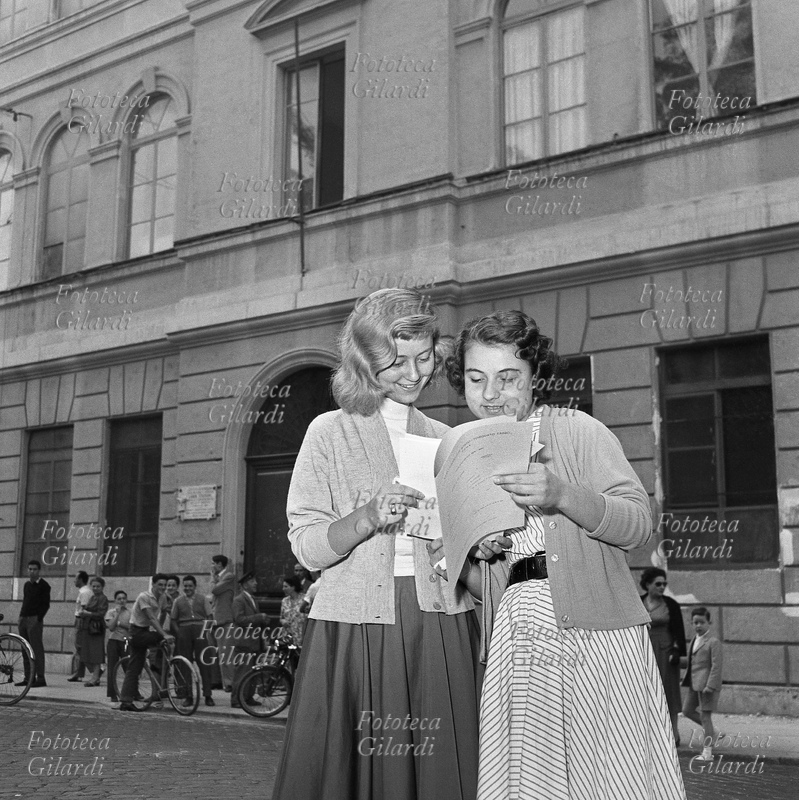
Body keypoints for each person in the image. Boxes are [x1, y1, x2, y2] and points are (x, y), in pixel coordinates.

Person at [429, 310, 685, 800]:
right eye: (477, 379)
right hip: (519, 640)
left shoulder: (578, 431)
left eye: (509, 378)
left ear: (535, 377)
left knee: (611, 777)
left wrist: (562, 494)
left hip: (600, 634)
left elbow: (639, 525)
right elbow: (490, 593)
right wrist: (467, 557)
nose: (491, 394)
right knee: (533, 784)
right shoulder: (465, 456)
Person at [272, 288, 481, 800]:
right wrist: (366, 517)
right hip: (357, 625)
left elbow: (460, 548)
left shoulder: (446, 436)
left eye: (425, 358)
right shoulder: (328, 433)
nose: (414, 374)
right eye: (396, 362)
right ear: (365, 362)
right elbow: (307, 547)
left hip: (439, 620)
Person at [641, 567, 686, 744]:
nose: (662, 587)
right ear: (647, 584)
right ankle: (650, 734)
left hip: (666, 652)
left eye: (664, 584)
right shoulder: (638, 602)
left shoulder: (671, 604)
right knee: (646, 690)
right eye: (658, 584)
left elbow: (679, 630)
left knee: (669, 692)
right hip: (644, 650)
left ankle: (673, 734)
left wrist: (677, 651)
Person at [119, 574, 174, 712]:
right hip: (136, 632)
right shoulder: (144, 596)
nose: (162, 587)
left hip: (145, 631)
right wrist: (163, 634)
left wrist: (162, 628)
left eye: (164, 585)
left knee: (135, 667)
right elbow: (151, 617)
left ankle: (159, 664)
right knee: (134, 667)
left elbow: (162, 614)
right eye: (160, 584)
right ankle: (125, 701)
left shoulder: (162, 598)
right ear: (153, 585)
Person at [681, 606, 723, 762]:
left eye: (701, 622)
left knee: (706, 717)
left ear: (709, 623)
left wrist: (710, 686)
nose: (698, 626)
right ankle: (714, 732)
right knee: (687, 710)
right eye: (695, 622)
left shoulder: (713, 642)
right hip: (694, 683)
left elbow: (716, 666)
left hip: (706, 686)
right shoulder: (694, 640)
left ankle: (707, 752)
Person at [171, 574, 215, 706]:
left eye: (190, 586)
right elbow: (173, 619)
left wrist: (206, 632)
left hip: (200, 629)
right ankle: (188, 695)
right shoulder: (178, 601)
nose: (188, 588)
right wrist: (179, 633)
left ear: (195, 586)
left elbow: (210, 616)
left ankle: (208, 694)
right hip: (184, 630)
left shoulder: (203, 599)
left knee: (204, 662)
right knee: (186, 664)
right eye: (185, 586)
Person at [230, 571, 269, 710]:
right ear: (245, 584)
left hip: (253, 642)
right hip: (244, 642)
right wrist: (259, 617)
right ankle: (236, 699)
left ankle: (248, 697)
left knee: (252, 672)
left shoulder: (252, 599)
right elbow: (239, 619)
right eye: (253, 582)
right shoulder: (239, 600)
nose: (256, 584)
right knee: (242, 672)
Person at [17, 559, 50, 687]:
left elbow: (45, 604)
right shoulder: (27, 585)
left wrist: (38, 618)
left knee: (36, 649)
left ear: (39, 570)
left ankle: (40, 678)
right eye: (30, 569)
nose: (32, 571)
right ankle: (28, 677)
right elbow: (25, 601)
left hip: (35, 619)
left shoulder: (44, 585)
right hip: (24, 618)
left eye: (34, 569)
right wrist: (21, 616)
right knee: (24, 648)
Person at [210, 555, 236, 693]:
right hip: (218, 621)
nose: (212, 566)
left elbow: (214, 590)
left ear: (220, 564)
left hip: (226, 620)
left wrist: (213, 578)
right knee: (221, 654)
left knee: (227, 654)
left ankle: (230, 682)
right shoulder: (219, 577)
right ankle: (224, 682)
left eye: (213, 563)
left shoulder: (228, 576)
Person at [76, 577, 109, 686]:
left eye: (98, 586)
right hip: (88, 627)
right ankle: (96, 674)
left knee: (95, 653)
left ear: (102, 587)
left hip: (96, 628)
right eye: (93, 586)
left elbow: (101, 614)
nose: (95, 588)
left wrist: (87, 613)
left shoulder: (103, 598)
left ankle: (95, 677)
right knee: (86, 652)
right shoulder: (92, 597)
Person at [105, 590, 130, 703]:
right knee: (112, 668)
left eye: (124, 598)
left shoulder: (130, 612)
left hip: (125, 641)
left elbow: (131, 627)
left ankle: (133, 691)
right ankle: (112, 694)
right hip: (113, 641)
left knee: (129, 667)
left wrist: (120, 624)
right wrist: (117, 614)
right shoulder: (111, 612)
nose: (121, 601)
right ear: (115, 600)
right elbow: (111, 627)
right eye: (119, 599)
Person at [67, 571, 92, 681]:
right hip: (80, 620)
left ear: (81, 579)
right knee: (80, 648)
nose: (74, 580)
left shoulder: (85, 592)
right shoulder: (83, 591)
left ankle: (95, 669)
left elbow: (84, 608)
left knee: (80, 647)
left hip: (81, 620)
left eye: (76, 578)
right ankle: (79, 673)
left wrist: (81, 623)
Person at [279, 575, 307, 646]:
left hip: (302, 634)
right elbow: (281, 618)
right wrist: (283, 621)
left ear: (293, 587)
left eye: (286, 586)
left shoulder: (305, 599)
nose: (283, 589)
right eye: (283, 586)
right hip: (288, 636)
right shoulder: (284, 601)